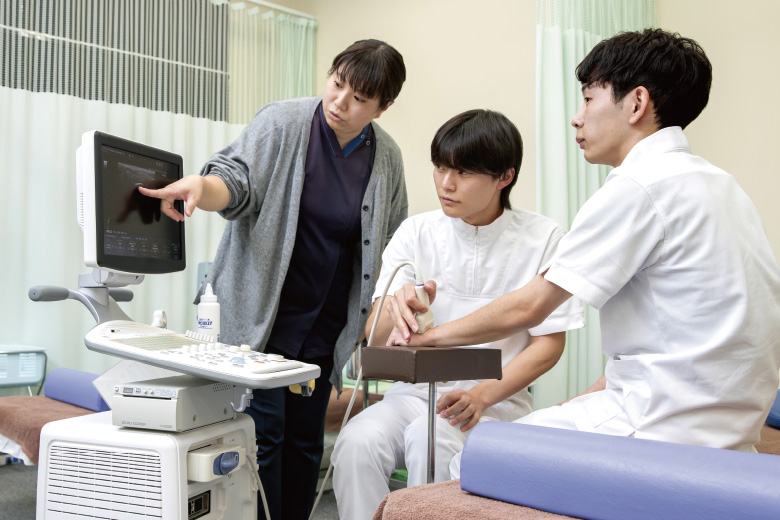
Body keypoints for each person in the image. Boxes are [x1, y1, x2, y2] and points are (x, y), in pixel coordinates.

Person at [389, 28, 780, 467]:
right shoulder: (722, 186)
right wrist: (575, 405)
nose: (577, 118)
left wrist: (429, 339)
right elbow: (667, 349)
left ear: (636, 103)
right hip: (728, 428)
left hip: (658, 426)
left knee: (472, 460)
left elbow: (530, 307)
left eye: (589, 99)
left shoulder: (639, 185)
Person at [140, 39, 408, 520]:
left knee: (305, 446)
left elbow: (391, 240)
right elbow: (235, 181)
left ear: (382, 108)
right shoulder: (283, 123)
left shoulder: (386, 157)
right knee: (260, 440)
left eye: (359, 98)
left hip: (323, 331)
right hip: (259, 324)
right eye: (336, 83)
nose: (339, 101)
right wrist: (202, 186)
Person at [331, 109, 584, 519]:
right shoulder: (416, 233)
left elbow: (549, 345)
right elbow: (374, 338)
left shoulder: (544, 238)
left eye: (463, 172)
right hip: (414, 395)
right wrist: (397, 305)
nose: (446, 184)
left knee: (429, 439)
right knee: (356, 441)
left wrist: (482, 395)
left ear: (504, 177)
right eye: (440, 167)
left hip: (495, 401)